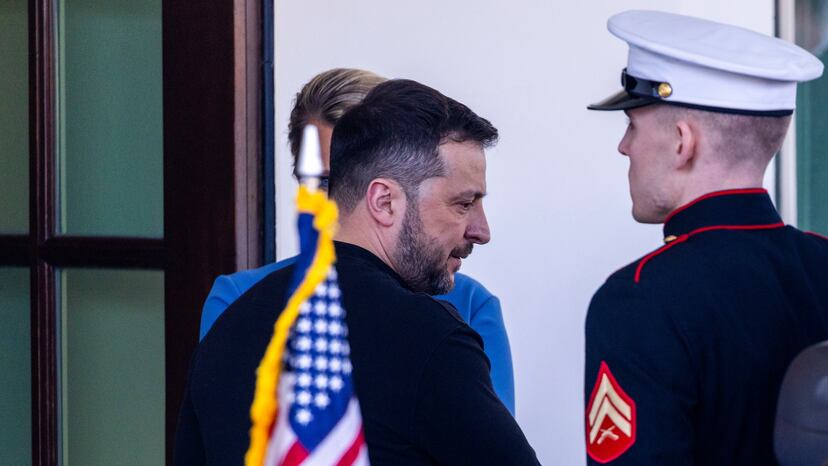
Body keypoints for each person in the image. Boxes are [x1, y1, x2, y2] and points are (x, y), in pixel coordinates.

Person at [175, 79, 540, 465]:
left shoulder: (230, 329)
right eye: (463, 204)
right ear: (384, 201)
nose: (481, 231)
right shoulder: (431, 339)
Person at [583, 10, 828, 465]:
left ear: (683, 142)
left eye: (632, 125)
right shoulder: (822, 262)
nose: (624, 146)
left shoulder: (639, 299)